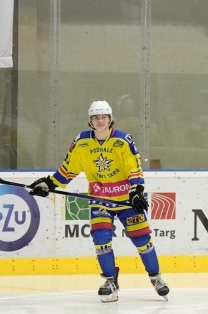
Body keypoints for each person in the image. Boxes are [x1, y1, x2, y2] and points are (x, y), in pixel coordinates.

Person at [28, 100, 169, 302]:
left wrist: (137, 191)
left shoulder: (123, 140)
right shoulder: (81, 142)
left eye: (104, 117)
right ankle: (110, 280)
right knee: (101, 240)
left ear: (110, 119)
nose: (100, 121)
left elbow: (134, 168)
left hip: (126, 200)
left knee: (142, 240)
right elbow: (68, 170)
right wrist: (48, 184)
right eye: (95, 117)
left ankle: (155, 277)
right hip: (100, 199)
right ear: (90, 121)